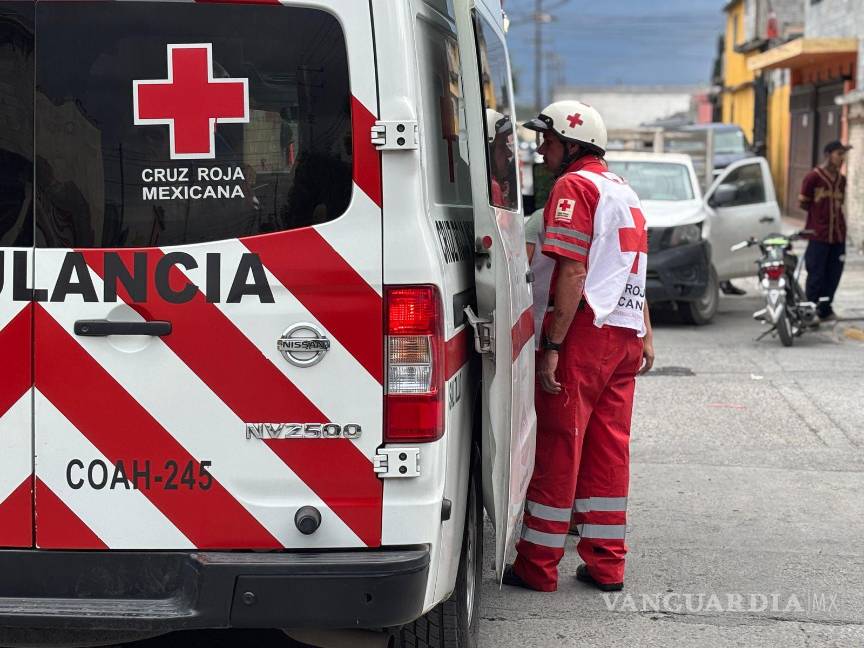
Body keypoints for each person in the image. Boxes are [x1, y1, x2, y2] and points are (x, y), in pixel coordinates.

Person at [503, 100, 654, 593]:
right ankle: (607, 563)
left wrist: (551, 345)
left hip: (586, 334)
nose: (540, 148)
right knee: (609, 449)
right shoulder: (620, 188)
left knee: (559, 446)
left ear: (572, 143)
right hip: (624, 330)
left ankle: (538, 565)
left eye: (546, 140)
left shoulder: (574, 187)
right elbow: (628, 264)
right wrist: (646, 329)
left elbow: (572, 270)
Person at [799, 140, 851, 321]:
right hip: (818, 235)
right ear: (828, 154)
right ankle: (810, 310)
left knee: (834, 273)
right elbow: (804, 203)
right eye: (839, 154)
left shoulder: (841, 180)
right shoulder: (813, 177)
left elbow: (840, 204)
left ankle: (825, 309)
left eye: (844, 154)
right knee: (816, 273)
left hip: (838, 235)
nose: (842, 158)